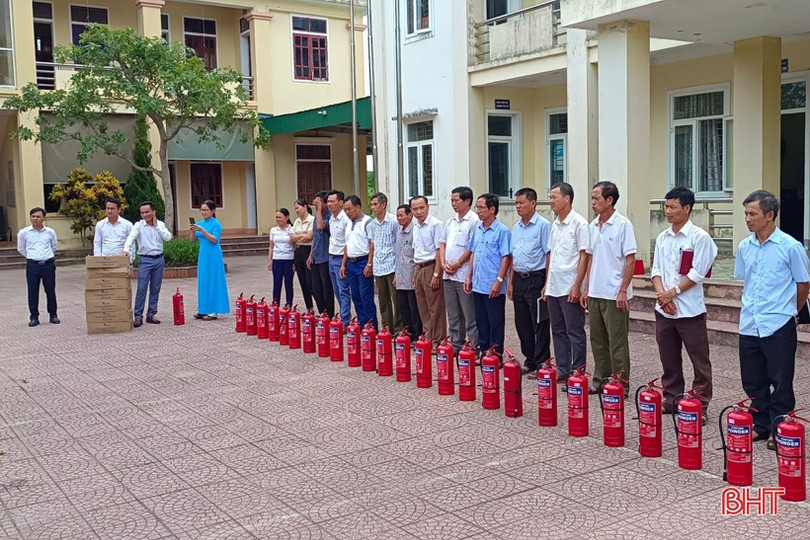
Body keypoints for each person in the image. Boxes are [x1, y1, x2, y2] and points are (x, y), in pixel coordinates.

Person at [735, 190, 810, 450]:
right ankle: (760, 424)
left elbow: (803, 283)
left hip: (778, 322)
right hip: (750, 322)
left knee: (780, 380)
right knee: (752, 379)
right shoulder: (744, 246)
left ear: (770, 215)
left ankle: (780, 427)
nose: (747, 219)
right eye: (746, 213)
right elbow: (746, 280)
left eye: (752, 214)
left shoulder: (790, 247)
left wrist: (791, 310)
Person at [651, 187, 717, 423]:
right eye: (666, 206)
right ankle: (672, 398)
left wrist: (673, 293)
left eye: (673, 207)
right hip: (665, 310)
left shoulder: (699, 238)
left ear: (687, 208)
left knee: (699, 361)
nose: (668, 211)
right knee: (668, 358)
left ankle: (700, 403)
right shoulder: (663, 237)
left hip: (690, 310)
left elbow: (698, 273)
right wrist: (662, 296)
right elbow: (656, 270)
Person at [581, 181, 637, 395]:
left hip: (614, 293)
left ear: (610, 200)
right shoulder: (593, 225)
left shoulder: (623, 225)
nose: (592, 202)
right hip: (595, 291)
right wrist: (586, 288)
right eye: (592, 198)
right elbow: (590, 258)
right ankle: (600, 380)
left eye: (596, 198)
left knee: (617, 342)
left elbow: (630, 260)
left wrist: (623, 290)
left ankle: (620, 384)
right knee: (597, 340)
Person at [543, 182, 589, 384]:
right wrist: (546, 284)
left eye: (554, 197)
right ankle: (563, 369)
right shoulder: (555, 225)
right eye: (550, 197)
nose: (551, 201)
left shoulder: (579, 223)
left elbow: (584, 256)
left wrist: (577, 286)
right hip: (554, 286)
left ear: (567, 198)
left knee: (574, 331)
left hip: (570, 285)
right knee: (558, 330)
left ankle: (577, 371)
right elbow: (551, 256)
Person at [508, 187, 551, 376]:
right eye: (516, 203)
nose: (518, 206)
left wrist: (547, 283)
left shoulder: (543, 226)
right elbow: (513, 257)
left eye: (521, 203)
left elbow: (548, 255)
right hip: (519, 278)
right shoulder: (516, 228)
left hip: (536, 278)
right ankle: (530, 359)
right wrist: (510, 283)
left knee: (539, 323)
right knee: (522, 322)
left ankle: (542, 361)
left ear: (533, 203)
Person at [464, 194, 511, 357]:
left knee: (495, 323)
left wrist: (499, 281)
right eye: (477, 207)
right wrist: (469, 276)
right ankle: (485, 353)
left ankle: (496, 355)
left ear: (492, 209)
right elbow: (473, 253)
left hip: (493, 285)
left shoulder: (502, 231)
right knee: (481, 322)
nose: (478, 211)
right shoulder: (478, 229)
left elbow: (506, 257)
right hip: (478, 284)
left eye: (481, 207)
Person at [440, 186, 479, 357]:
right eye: (451, 200)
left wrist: (457, 264)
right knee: (453, 313)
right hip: (448, 275)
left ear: (467, 201)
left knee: (469, 314)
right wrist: (443, 264)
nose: (453, 203)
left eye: (456, 200)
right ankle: (456, 344)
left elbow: (472, 248)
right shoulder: (450, 221)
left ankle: (473, 346)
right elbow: (442, 244)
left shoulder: (474, 221)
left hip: (463, 275)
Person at [123, 201, 173, 327]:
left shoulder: (160, 224)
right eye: (142, 213)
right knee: (142, 288)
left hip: (159, 259)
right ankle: (138, 316)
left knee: (155, 288)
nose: (144, 215)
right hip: (145, 260)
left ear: (153, 212)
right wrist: (126, 249)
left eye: (147, 212)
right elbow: (130, 238)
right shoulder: (138, 225)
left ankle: (151, 314)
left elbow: (168, 237)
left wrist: (156, 226)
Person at [411, 195, 447, 348]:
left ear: (428, 207)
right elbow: (416, 250)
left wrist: (436, 274)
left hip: (432, 267)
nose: (419, 211)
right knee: (423, 308)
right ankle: (428, 338)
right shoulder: (415, 226)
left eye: (421, 207)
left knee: (435, 308)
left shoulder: (436, 224)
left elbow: (439, 251)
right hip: (419, 268)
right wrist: (415, 274)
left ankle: (438, 341)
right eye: (415, 209)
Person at [340, 195, 378, 328]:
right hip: (351, 263)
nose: (347, 212)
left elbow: (372, 244)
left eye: (349, 209)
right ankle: (362, 324)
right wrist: (343, 264)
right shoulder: (348, 223)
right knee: (355, 295)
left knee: (365, 295)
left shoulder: (367, 222)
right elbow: (347, 244)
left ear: (358, 207)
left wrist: (369, 264)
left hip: (363, 261)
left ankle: (371, 326)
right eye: (345, 209)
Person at [18, 207, 59, 326]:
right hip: (33, 265)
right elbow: (21, 248)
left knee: (50, 290)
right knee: (32, 291)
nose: (35, 219)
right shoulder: (24, 232)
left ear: (44, 218)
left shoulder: (50, 232)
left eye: (38, 216)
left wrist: (45, 256)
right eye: (33, 216)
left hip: (48, 264)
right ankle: (34, 317)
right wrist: (32, 256)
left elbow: (53, 246)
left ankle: (53, 315)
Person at [190, 199, 230, 320]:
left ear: (212, 211)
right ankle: (203, 309)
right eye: (201, 210)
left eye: (206, 210)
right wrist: (193, 231)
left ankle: (213, 311)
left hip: (213, 255)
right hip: (203, 255)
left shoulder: (216, 224)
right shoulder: (199, 223)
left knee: (213, 281)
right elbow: (192, 240)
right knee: (203, 281)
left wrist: (202, 230)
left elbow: (214, 240)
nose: (203, 212)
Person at [368, 192, 401, 332]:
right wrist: (370, 264)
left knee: (397, 300)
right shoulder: (372, 224)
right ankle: (387, 329)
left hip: (392, 265)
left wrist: (399, 269)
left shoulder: (394, 222)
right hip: (379, 266)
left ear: (383, 205)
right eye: (371, 205)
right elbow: (372, 245)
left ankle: (399, 330)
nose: (373, 207)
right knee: (383, 301)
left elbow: (399, 245)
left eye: (375, 204)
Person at [394, 204, 422, 341]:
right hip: (400, 276)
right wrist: (396, 275)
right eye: (397, 216)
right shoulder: (399, 231)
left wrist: (416, 275)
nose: (399, 218)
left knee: (414, 308)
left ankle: (418, 334)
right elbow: (398, 255)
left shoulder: (415, 231)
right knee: (403, 307)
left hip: (411, 275)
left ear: (410, 215)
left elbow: (417, 255)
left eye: (401, 215)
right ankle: (408, 334)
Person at [308, 190, 334, 316]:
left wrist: (318, 210)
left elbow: (321, 226)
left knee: (326, 287)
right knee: (315, 287)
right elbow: (315, 237)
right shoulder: (315, 219)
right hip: (316, 256)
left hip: (326, 256)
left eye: (319, 201)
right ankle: (322, 311)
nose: (316, 204)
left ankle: (329, 313)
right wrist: (310, 255)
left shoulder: (329, 217)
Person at [327, 190, 351, 321]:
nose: (329, 204)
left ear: (341, 203)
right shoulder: (332, 218)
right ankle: (344, 317)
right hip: (331, 257)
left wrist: (343, 264)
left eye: (332, 201)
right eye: (328, 201)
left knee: (343, 291)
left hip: (341, 258)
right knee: (336, 290)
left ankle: (345, 320)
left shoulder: (345, 220)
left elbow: (348, 243)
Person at [291, 199, 315, 311]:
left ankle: (322, 308)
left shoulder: (312, 220)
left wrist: (299, 237)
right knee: (303, 283)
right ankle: (309, 308)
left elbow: (309, 237)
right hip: (298, 251)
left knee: (310, 282)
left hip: (308, 251)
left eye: (298, 208)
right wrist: (303, 236)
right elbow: (292, 238)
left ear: (305, 207)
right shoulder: (297, 221)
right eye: (295, 209)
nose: (296, 210)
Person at [268, 208, 295, 307]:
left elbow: (295, 246)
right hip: (277, 259)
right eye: (276, 217)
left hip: (289, 259)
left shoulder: (292, 229)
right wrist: (270, 260)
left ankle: (288, 306)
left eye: (280, 217)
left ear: (287, 217)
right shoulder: (273, 230)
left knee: (288, 284)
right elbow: (271, 246)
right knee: (277, 284)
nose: (278, 219)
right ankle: (275, 306)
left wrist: (295, 262)